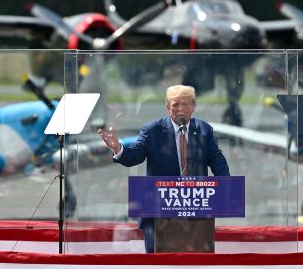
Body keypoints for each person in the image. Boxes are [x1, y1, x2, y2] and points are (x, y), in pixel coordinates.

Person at [98, 84, 230, 253]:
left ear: (193, 107)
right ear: (168, 108)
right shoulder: (153, 131)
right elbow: (135, 156)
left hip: (195, 212)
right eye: (175, 105)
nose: (180, 109)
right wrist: (118, 149)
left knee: (197, 266)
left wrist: (225, 186)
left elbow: (217, 160)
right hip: (159, 213)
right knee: (159, 268)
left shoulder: (204, 130)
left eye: (185, 104)